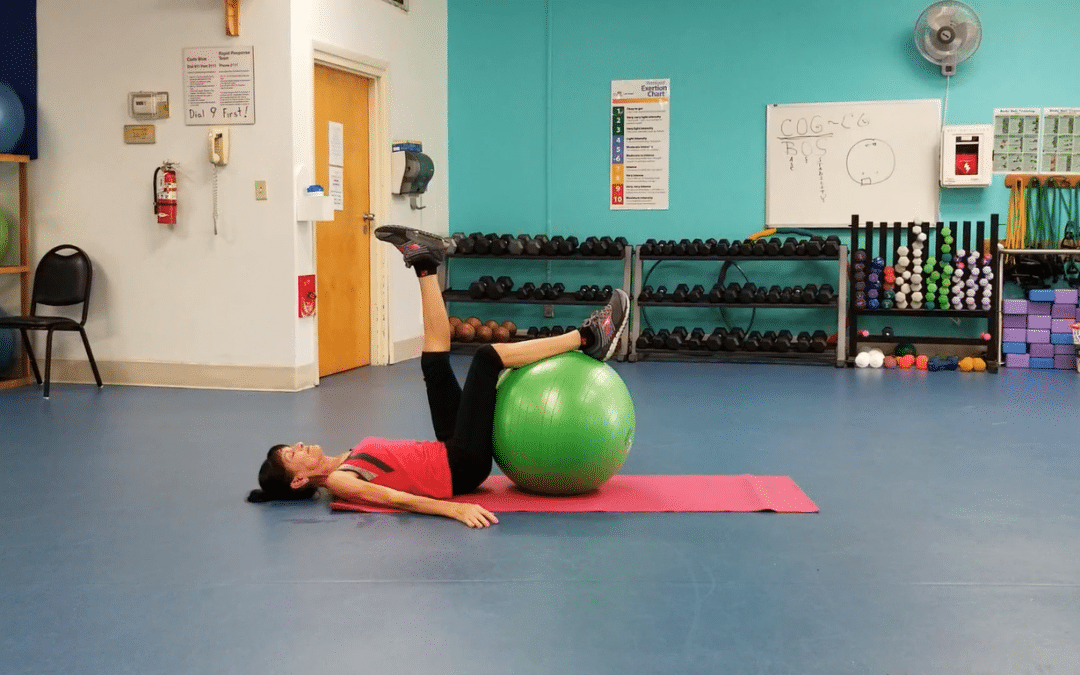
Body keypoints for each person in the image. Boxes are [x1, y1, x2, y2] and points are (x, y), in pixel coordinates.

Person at [247, 225, 630, 527]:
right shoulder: (339, 481)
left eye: (290, 445)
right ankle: (587, 338)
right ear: (298, 480)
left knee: (432, 363)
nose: (298, 445)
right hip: (461, 465)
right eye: (291, 455)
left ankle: (425, 263)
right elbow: (399, 501)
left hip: (446, 449)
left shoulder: (343, 458)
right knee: (485, 359)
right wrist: (455, 511)